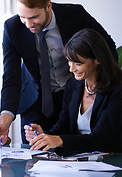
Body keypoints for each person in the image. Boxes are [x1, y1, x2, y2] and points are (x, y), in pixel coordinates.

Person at [0, 0, 118, 143]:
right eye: (23, 17)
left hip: (74, 98)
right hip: (36, 104)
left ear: (48, 6)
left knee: (74, 150)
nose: (28, 24)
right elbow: (11, 78)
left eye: (34, 17)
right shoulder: (12, 28)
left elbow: (106, 48)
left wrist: (101, 90)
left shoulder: (75, 15)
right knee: (35, 157)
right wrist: (5, 120)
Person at [25, 28, 122, 156]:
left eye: (78, 63)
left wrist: (59, 140)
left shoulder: (117, 90)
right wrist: (44, 134)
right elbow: (63, 127)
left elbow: (100, 138)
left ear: (98, 59)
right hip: (80, 161)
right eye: (69, 61)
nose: (71, 69)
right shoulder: (73, 86)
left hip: (112, 161)